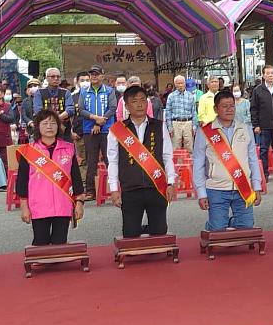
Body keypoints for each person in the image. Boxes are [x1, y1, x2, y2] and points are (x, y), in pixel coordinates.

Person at [107, 85, 176, 238]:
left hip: (156, 187)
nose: (139, 104)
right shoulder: (117, 130)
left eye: (143, 100)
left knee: (159, 232)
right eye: (134, 101)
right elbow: (113, 161)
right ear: (126, 105)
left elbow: (167, 156)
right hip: (130, 188)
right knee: (130, 235)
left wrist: (171, 182)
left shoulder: (159, 126)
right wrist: (113, 189)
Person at [193, 90, 262, 230]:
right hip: (216, 188)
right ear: (215, 109)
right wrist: (201, 193)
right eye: (224, 106)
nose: (229, 110)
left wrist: (257, 186)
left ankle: (228, 222)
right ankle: (214, 224)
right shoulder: (205, 131)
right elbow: (198, 163)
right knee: (218, 230)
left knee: (246, 227)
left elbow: (253, 159)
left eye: (232, 106)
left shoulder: (246, 128)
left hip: (242, 186)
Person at [16, 109, 85, 245]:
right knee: (40, 243)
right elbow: (22, 182)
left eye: (53, 123)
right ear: (37, 126)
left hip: (63, 205)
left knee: (60, 244)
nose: (49, 127)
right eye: (45, 123)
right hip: (39, 206)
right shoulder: (28, 151)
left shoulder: (69, 148)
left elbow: (76, 178)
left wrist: (79, 203)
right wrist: (24, 206)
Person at [77, 64, 117, 200]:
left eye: (96, 73)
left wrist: (100, 122)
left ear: (102, 76)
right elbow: (81, 110)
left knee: (109, 159)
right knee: (91, 160)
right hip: (89, 130)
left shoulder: (109, 91)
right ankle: (90, 191)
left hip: (106, 130)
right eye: (92, 74)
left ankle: (113, 189)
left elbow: (112, 108)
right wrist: (95, 119)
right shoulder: (84, 91)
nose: (94, 76)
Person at [34, 67, 75, 138]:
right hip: (45, 128)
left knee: (65, 148)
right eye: (53, 76)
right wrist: (52, 121)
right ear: (46, 78)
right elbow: (38, 110)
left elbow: (71, 109)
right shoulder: (39, 92)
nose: (56, 78)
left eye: (58, 76)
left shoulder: (66, 92)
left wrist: (57, 118)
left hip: (64, 128)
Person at [165, 74, 197, 150]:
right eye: (178, 83)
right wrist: (169, 127)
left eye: (182, 83)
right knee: (175, 146)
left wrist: (194, 126)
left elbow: (194, 112)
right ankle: (177, 162)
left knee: (189, 145)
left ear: (185, 83)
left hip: (188, 122)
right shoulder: (171, 96)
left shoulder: (190, 96)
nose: (180, 85)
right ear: (175, 85)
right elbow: (168, 113)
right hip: (175, 123)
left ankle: (190, 161)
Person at [71, 71, 90, 183]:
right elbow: (69, 115)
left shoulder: (94, 94)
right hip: (79, 133)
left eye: (87, 80)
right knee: (81, 159)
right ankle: (83, 182)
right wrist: (72, 131)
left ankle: (94, 182)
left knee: (93, 159)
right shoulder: (73, 97)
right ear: (77, 82)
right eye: (82, 80)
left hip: (93, 132)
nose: (85, 82)